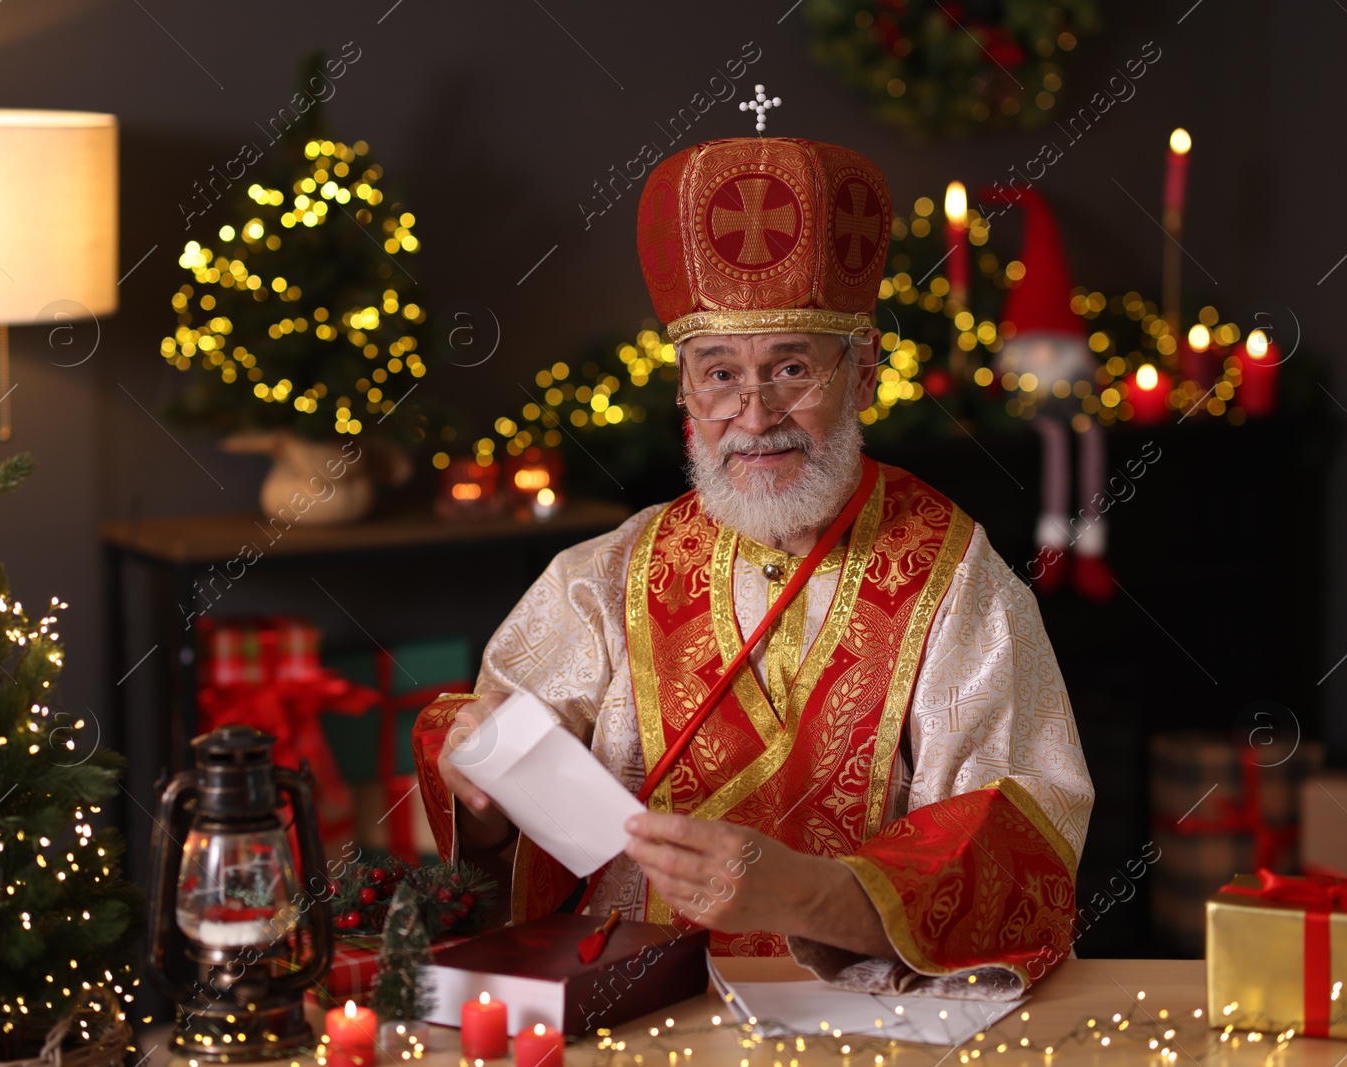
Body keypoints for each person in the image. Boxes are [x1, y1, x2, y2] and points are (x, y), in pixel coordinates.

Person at [412, 137, 1092, 993]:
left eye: (793, 368)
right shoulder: (600, 578)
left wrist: (813, 895)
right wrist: (479, 793)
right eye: (720, 372)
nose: (755, 411)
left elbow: (1016, 835)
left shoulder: (960, 583)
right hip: (626, 1015)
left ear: (866, 372)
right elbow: (499, 837)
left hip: (867, 1027)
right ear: (686, 392)